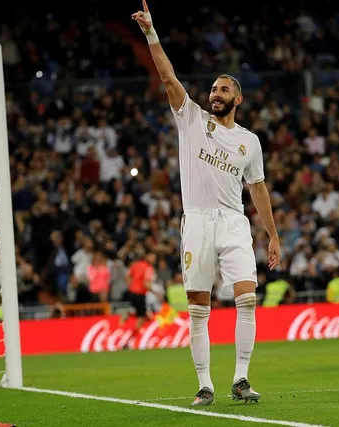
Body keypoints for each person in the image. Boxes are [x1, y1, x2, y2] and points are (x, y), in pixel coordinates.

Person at [132, 0, 281, 406]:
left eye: (224, 89)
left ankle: (241, 379)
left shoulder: (249, 142)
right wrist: (150, 32)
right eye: (214, 88)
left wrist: (272, 235)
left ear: (238, 99)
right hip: (196, 222)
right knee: (199, 307)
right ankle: (205, 385)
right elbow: (166, 76)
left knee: (247, 296)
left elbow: (259, 190)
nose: (215, 93)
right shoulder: (192, 118)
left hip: (234, 222)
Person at [124, 251, 157, 348]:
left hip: (132, 294)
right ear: (147, 256)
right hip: (140, 295)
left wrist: (131, 287)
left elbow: (127, 276)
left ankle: (129, 314)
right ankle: (129, 342)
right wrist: (156, 293)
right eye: (153, 257)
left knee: (144, 316)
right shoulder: (149, 268)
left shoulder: (136, 264)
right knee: (142, 319)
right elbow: (146, 284)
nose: (154, 260)